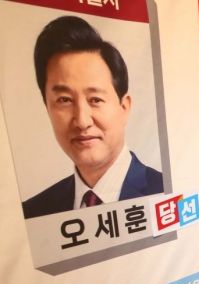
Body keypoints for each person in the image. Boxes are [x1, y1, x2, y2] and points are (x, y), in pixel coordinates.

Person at [23, 15, 163, 219]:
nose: (82, 121)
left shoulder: (168, 192)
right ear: (47, 108)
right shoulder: (34, 212)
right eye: (64, 100)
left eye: (95, 99)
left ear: (124, 107)